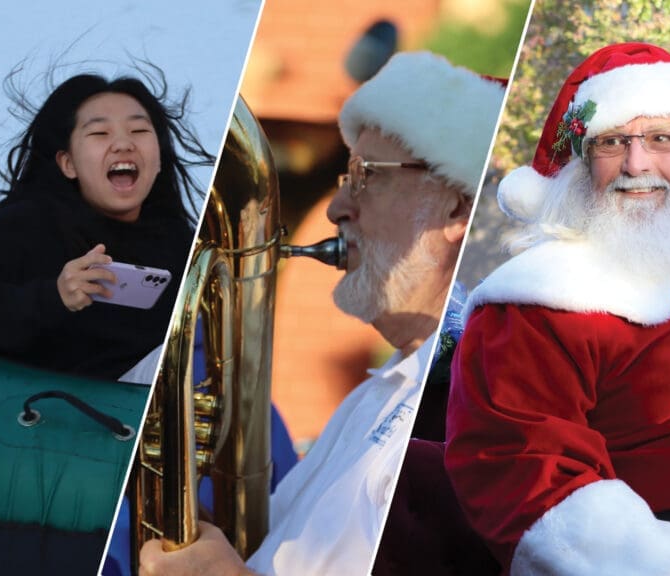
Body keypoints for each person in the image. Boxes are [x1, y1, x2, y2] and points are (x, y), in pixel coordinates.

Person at [138, 51, 506, 576]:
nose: (335, 209)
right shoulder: (378, 392)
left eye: (366, 175)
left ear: (456, 209)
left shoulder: (461, 411)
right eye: (345, 176)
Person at [445, 42, 670, 575]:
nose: (637, 164)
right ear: (583, 163)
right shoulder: (538, 300)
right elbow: (530, 476)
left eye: (663, 138)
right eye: (611, 143)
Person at [0, 68, 212, 383]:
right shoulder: (25, 224)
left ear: (159, 159)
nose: (123, 144)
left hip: (143, 402)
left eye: (138, 130)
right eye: (99, 133)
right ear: (68, 164)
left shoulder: (178, 240)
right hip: (43, 404)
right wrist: (54, 296)